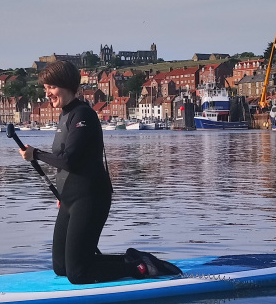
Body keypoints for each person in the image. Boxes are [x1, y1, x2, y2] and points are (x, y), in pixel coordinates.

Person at [19, 60, 181, 284]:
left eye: (51, 88)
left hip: (91, 198)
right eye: (45, 88)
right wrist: (63, 193)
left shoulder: (83, 115)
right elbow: (67, 164)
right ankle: (131, 259)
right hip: (69, 199)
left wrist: (35, 155)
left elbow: (70, 161)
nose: (47, 93)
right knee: (61, 267)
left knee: (78, 274)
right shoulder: (64, 116)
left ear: (66, 85)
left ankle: (141, 267)